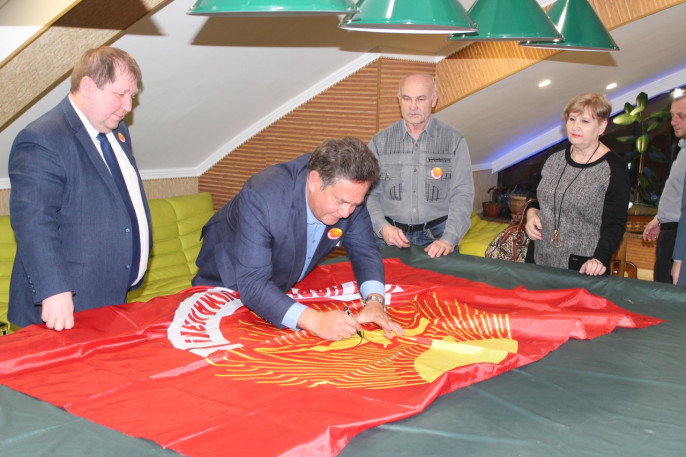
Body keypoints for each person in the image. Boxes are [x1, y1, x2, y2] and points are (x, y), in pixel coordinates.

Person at [192, 137, 404, 341]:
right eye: (340, 202)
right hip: (225, 287)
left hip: (276, 290)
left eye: (355, 204)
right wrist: (315, 320)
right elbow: (253, 284)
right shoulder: (262, 198)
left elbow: (365, 253)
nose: (347, 213)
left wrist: (375, 302)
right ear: (314, 181)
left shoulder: (349, 196)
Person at [8, 46, 151, 330]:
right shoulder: (42, 138)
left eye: (131, 96)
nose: (128, 106)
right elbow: (34, 222)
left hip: (112, 295)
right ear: (88, 86)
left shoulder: (118, 131)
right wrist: (54, 290)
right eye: (120, 94)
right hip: (66, 304)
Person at [366, 73, 474, 258]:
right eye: (407, 98)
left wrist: (449, 238)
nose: (413, 106)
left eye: (421, 99)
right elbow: (369, 193)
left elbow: (462, 193)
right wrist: (382, 227)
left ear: (434, 100)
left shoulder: (454, 140)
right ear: (399, 99)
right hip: (389, 238)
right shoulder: (379, 142)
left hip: (438, 238)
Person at [524, 93, 630, 276]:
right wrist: (531, 214)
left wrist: (599, 259)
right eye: (572, 119)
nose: (575, 126)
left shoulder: (614, 168)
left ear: (602, 126)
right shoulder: (553, 155)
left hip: (584, 266)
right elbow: (534, 195)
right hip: (538, 258)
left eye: (585, 121)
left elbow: (615, 224)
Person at [643, 90, 686, 283]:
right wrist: (660, 219)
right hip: (670, 234)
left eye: (681, 116)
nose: (673, 121)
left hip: (679, 240)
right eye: (672, 116)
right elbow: (677, 194)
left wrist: (679, 257)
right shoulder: (683, 150)